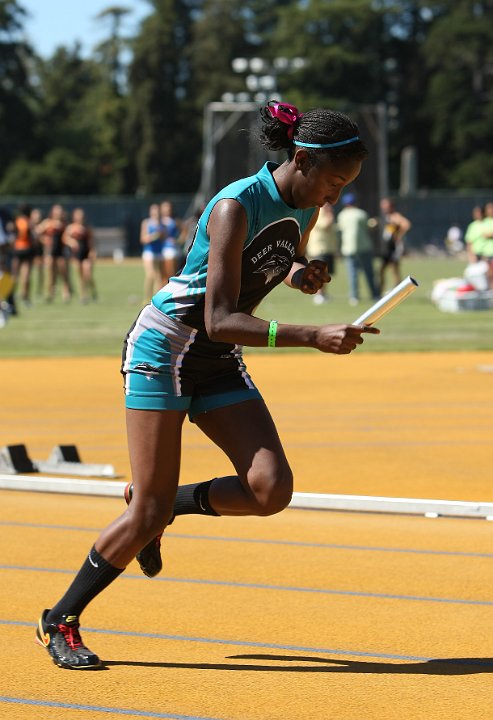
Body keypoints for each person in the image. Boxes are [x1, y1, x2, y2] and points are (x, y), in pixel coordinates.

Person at [36, 100, 379, 670]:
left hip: (217, 357)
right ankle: (61, 619)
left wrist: (301, 272)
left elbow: (277, 259)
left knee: (271, 490)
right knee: (141, 517)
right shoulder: (234, 205)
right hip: (166, 346)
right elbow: (219, 315)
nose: (334, 197)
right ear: (302, 159)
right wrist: (313, 334)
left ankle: (166, 504)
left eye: (346, 186)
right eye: (334, 182)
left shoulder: (307, 207)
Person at [337, 192, 379, 305]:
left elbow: (340, 230)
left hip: (348, 248)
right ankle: (375, 295)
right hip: (364, 247)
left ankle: (354, 296)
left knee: (352, 274)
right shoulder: (361, 213)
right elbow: (368, 226)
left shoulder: (341, 215)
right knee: (369, 273)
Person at [37, 204, 71, 303]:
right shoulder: (47, 223)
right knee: (51, 273)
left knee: (63, 272)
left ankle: (66, 292)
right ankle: (50, 293)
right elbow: (38, 233)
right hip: (50, 251)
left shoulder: (64, 224)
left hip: (62, 251)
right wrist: (45, 240)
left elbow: (67, 236)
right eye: (56, 211)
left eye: (60, 211)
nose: (58, 213)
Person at [306, 202, 338, 303]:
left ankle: (323, 294)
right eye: (326, 205)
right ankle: (318, 295)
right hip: (318, 249)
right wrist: (329, 215)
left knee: (325, 275)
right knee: (318, 275)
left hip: (327, 249)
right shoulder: (318, 214)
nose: (329, 207)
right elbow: (325, 225)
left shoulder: (327, 215)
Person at [63, 208, 97, 303]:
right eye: (78, 215)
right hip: (76, 254)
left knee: (88, 274)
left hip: (86, 253)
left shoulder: (87, 228)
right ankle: (83, 295)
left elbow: (91, 241)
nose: (80, 217)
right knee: (80, 275)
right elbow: (65, 238)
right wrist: (72, 242)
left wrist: (92, 251)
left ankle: (93, 290)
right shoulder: (70, 228)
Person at [379, 197, 411, 292]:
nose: (384, 208)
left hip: (393, 248)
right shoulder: (386, 217)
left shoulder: (395, 216)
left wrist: (398, 235)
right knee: (381, 270)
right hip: (386, 248)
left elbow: (406, 224)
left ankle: (398, 290)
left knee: (394, 270)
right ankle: (381, 290)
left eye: (386, 206)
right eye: (383, 206)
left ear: (391, 206)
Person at [140, 203, 165, 303]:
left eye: (157, 210)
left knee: (159, 277)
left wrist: (162, 235)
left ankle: (155, 300)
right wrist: (153, 236)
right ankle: (147, 297)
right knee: (150, 275)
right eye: (153, 210)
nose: (156, 213)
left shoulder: (162, 224)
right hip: (149, 253)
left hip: (159, 253)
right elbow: (143, 239)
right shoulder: (146, 223)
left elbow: (164, 239)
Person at [11, 204, 35, 307]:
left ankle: (6, 296)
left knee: (13, 276)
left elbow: (12, 235)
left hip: (17, 249)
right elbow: (33, 237)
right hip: (27, 249)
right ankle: (25, 298)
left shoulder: (16, 221)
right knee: (26, 276)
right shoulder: (29, 222)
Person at [160, 200, 179, 283]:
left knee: (170, 275)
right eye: (164, 207)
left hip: (170, 250)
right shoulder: (158, 220)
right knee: (161, 276)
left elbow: (185, 231)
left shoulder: (174, 221)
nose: (167, 209)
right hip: (159, 251)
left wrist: (177, 240)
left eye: (168, 207)